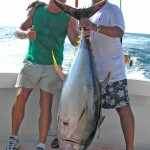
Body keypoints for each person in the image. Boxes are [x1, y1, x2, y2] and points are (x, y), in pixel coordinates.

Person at [6, 0, 78, 150]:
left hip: (53, 66)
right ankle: (13, 139)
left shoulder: (69, 17)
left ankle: (41, 145)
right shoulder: (36, 9)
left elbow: (75, 41)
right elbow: (18, 30)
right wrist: (26, 34)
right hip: (32, 62)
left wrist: (84, 30)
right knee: (20, 97)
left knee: (46, 103)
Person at [79, 0, 135, 150]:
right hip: (91, 73)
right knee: (86, 112)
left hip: (113, 72)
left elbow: (119, 31)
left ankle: (130, 148)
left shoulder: (113, 9)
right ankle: (78, 144)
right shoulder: (88, 13)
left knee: (123, 109)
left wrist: (94, 27)